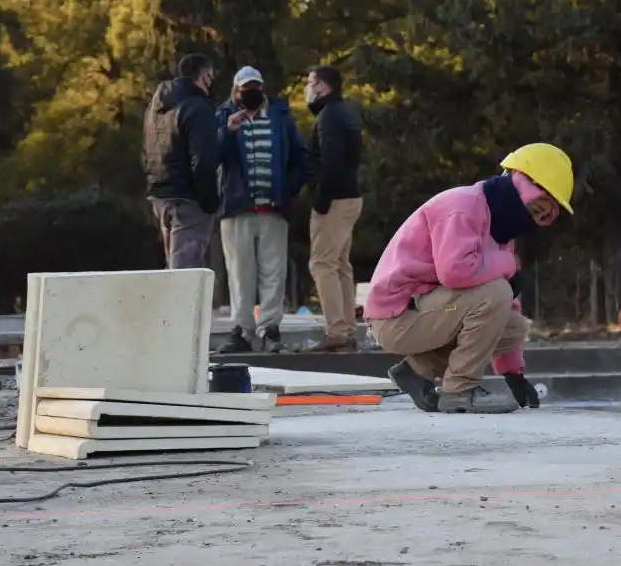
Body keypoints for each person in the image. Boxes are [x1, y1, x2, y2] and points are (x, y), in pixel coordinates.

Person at [364, 143, 573, 414]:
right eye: (536, 208)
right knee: (496, 293)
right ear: (523, 185)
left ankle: (417, 371)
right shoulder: (462, 206)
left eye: (544, 217)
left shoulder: (499, 229)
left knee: (512, 326)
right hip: (397, 317)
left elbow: (503, 305)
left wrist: (513, 374)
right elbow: (455, 271)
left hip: (430, 312)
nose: (535, 220)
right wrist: (509, 267)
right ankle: (460, 391)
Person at [215, 66, 308, 354]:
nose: (251, 92)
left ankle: (270, 330)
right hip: (237, 208)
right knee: (240, 273)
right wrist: (227, 132)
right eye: (245, 88)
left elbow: (300, 157)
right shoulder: (223, 117)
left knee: (274, 273)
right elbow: (210, 156)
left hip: (273, 208)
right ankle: (241, 330)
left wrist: (288, 189)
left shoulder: (281, 118)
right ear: (235, 92)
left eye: (255, 86)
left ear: (263, 88)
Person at [143, 53, 223, 269]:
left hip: (161, 196)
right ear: (205, 77)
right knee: (186, 273)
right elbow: (204, 159)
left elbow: (148, 151)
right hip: (188, 199)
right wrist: (210, 203)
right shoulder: (199, 107)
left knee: (174, 268)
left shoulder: (156, 108)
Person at [304, 65, 363, 351]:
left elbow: (330, 161)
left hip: (335, 199)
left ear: (323, 86)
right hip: (351, 196)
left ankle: (337, 331)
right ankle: (347, 328)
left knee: (322, 263)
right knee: (340, 264)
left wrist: (321, 200)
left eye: (311, 82)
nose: (308, 88)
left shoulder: (328, 117)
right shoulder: (344, 113)